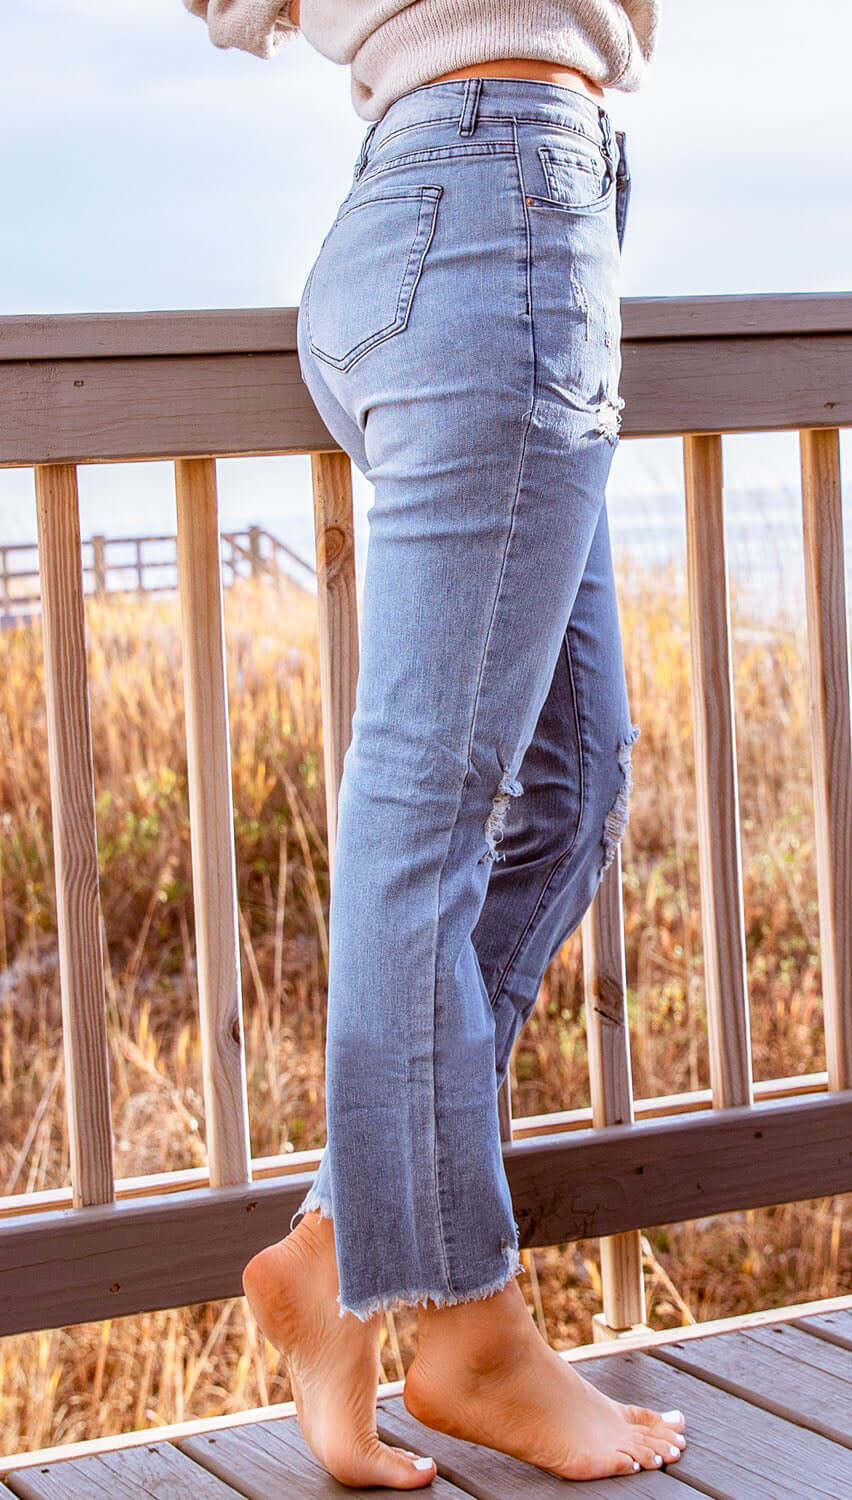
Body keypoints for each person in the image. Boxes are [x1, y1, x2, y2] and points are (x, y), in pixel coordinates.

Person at [183, 0, 687, 1487]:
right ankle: (462, 1328)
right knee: (427, 817)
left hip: (450, 213)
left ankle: (341, 1247)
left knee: (571, 776)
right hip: (493, 198)